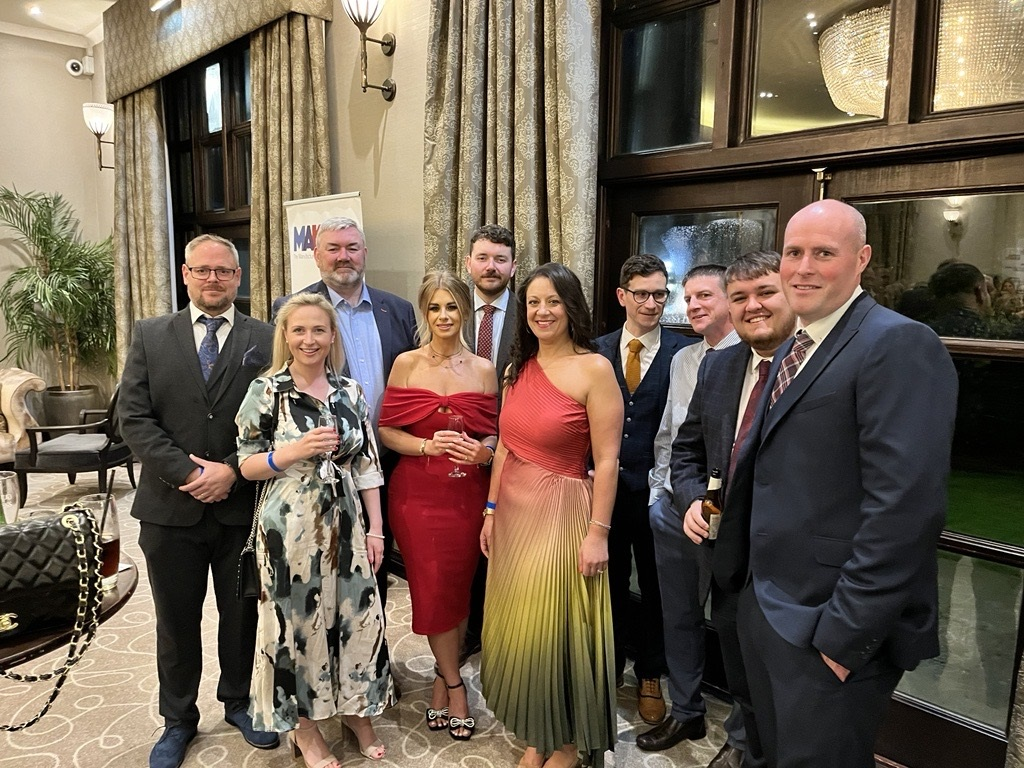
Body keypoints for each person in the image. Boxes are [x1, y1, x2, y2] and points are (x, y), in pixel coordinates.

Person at [736, 200, 958, 768]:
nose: (802, 267)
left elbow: (906, 508)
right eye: (793, 252)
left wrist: (845, 637)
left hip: (828, 624)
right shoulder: (796, 343)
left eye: (823, 253)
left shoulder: (899, 344)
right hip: (766, 605)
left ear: (862, 260)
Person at [118, 234, 278, 768]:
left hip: (240, 506)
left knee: (240, 615)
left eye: (224, 271)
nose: (213, 279)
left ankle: (237, 701)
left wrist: (231, 470)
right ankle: (178, 719)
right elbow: (135, 420)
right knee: (176, 619)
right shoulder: (149, 335)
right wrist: (190, 472)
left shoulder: (266, 336)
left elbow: (278, 418)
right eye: (203, 270)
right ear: (185, 274)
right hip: (169, 508)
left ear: (238, 276)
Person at [235, 293, 394, 768]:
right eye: (299, 330)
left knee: (356, 620)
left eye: (319, 330)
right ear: (285, 335)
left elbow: (367, 465)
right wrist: (290, 452)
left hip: (347, 524)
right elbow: (244, 465)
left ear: (332, 336)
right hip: (290, 526)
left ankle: (356, 712)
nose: (309, 339)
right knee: (296, 628)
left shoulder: (349, 390)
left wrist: (377, 529)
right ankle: (304, 730)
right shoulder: (267, 391)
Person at [480, 262, 623, 768]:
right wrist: (491, 510)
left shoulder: (595, 369)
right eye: (533, 302)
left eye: (553, 302)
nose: (542, 311)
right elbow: (502, 450)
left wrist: (598, 534)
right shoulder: (516, 369)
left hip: (563, 513)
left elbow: (607, 461)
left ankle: (563, 742)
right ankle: (539, 732)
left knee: (554, 629)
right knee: (519, 625)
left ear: (571, 307)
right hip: (514, 514)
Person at [673, 251, 797, 768]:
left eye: (765, 292)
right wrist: (690, 500)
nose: (753, 306)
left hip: (795, 573)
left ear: (792, 293)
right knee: (743, 679)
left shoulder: (814, 364)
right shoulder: (719, 366)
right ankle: (746, 752)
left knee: (791, 700)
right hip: (728, 560)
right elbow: (688, 449)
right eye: (741, 296)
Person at [273, 216, 417, 608]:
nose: (343, 257)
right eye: (333, 249)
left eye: (352, 248)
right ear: (317, 255)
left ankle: (371, 654)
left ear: (364, 253)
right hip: (324, 470)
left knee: (377, 559)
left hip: (389, 459)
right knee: (324, 571)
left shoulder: (398, 310)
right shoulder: (294, 309)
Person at [378, 271, 498, 741]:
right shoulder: (406, 363)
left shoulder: (484, 369)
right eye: (434, 308)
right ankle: (453, 681)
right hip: (416, 496)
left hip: (467, 494)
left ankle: (442, 676)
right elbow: (387, 430)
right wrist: (426, 448)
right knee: (430, 588)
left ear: (465, 310)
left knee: (458, 588)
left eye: (452, 307)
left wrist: (482, 448)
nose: (444, 316)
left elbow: (493, 429)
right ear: (424, 313)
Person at [640, 264, 742, 753]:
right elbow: (670, 438)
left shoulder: (756, 359)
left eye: (706, 295)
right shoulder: (685, 359)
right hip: (676, 513)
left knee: (738, 627)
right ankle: (687, 714)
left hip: (737, 525)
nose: (695, 305)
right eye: (690, 297)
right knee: (677, 617)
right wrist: (662, 499)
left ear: (731, 299)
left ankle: (745, 735)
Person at [594, 253, 690, 725]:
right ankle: (608, 669)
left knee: (656, 587)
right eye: (642, 294)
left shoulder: (684, 354)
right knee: (607, 584)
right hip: (604, 493)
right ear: (622, 296)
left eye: (659, 294)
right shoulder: (595, 351)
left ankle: (651, 673)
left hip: (657, 496)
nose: (651, 303)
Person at [462, 223, 518, 660]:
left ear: (513, 267)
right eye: (483, 258)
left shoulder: (533, 315)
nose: (491, 267)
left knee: (503, 546)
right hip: (457, 451)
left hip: (517, 454)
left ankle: (499, 632)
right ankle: (466, 631)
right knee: (465, 543)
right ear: (468, 264)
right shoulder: (448, 312)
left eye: (500, 259)